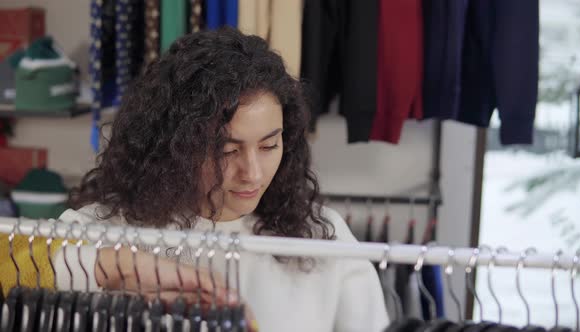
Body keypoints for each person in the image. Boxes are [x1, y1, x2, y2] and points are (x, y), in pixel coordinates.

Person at [0, 27, 388, 331]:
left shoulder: (321, 240)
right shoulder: (105, 229)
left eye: (269, 146)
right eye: (227, 150)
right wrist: (108, 265)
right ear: (177, 145)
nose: (252, 172)